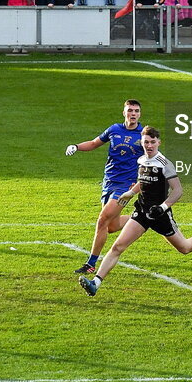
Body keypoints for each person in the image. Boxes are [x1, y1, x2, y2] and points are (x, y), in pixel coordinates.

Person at [79, 126, 192, 297]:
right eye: (146, 142)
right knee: (117, 247)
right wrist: (131, 193)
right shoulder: (141, 160)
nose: (149, 145)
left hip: (160, 216)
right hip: (142, 212)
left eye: (152, 142)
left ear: (158, 143)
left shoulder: (165, 164)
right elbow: (143, 181)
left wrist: (163, 207)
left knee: (185, 247)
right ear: (142, 142)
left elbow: (178, 191)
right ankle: (95, 283)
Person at [66, 100, 144, 275]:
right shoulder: (114, 129)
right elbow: (94, 143)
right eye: (130, 110)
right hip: (109, 181)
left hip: (126, 186)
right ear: (124, 112)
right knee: (111, 226)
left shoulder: (143, 135)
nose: (133, 114)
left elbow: (150, 159)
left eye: (136, 111)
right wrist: (76, 146)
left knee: (102, 219)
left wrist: (140, 180)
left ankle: (91, 263)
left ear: (140, 114)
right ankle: (143, 219)